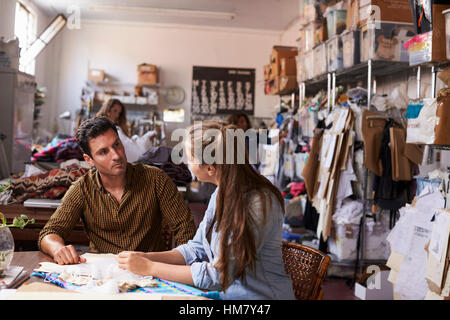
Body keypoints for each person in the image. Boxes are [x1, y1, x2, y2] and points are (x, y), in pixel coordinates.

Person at [116, 121, 295, 300]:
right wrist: (146, 257)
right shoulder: (222, 192)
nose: (186, 163)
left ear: (210, 168)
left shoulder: (259, 203)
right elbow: (196, 248)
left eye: (190, 158)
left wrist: (150, 268)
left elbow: (219, 276)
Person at [38, 117, 196, 265]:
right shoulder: (82, 189)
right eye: (103, 152)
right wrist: (58, 249)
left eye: (116, 144)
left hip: (151, 271)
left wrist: (179, 265)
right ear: (89, 160)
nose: (116, 155)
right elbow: (49, 233)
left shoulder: (156, 179)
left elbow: (185, 229)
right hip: (103, 274)